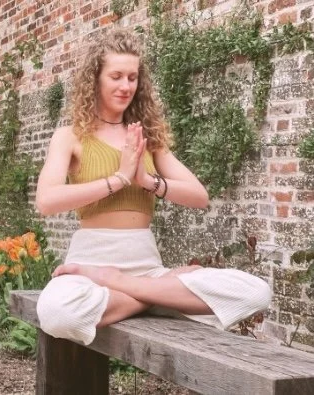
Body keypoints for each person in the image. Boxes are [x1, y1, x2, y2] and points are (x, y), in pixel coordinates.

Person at [34, 29, 272, 346]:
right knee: (57, 313)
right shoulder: (70, 136)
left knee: (256, 292)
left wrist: (148, 181)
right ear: (95, 79)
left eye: (132, 77)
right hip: (89, 266)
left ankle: (131, 289)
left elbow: (199, 196)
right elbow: (46, 201)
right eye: (116, 76)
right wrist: (117, 179)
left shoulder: (145, 136)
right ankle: (157, 298)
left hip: (146, 267)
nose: (125, 86)